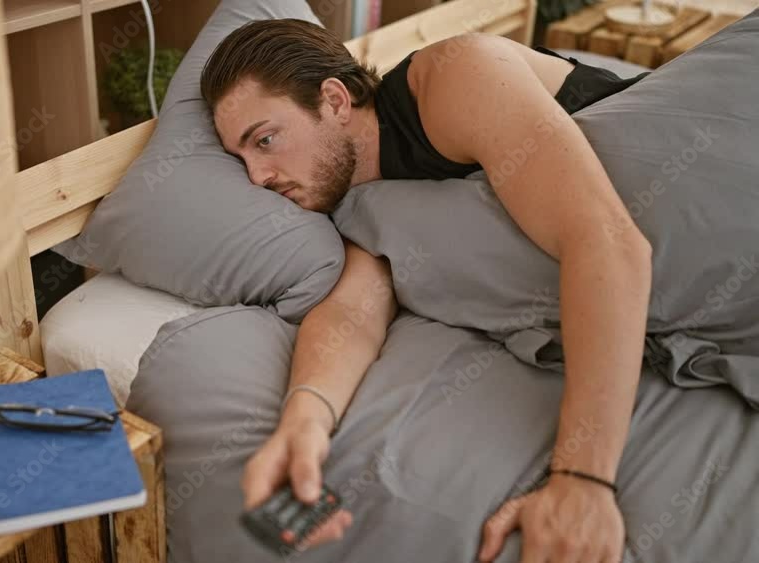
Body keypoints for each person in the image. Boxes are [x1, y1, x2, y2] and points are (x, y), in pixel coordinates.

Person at [201, 18, 654, 563]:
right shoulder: (355, 199)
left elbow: (606, 242)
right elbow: (353, 311)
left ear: (335, 100)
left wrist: (583, 479)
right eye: (241, 159)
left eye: (265, 140)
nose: (256, 178)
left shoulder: (457, 77)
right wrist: (303, 424)